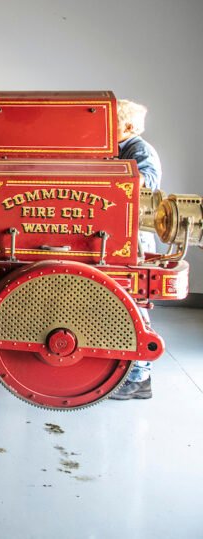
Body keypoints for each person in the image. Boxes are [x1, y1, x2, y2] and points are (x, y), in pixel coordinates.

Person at [110, 99, 162, 401]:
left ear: (128, 126)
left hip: (135, 239)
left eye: (112, 121)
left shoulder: (140, 151)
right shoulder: (121, 150)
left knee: (134, 303)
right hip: (121, 236)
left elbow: (142, 191)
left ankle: (139, 376)